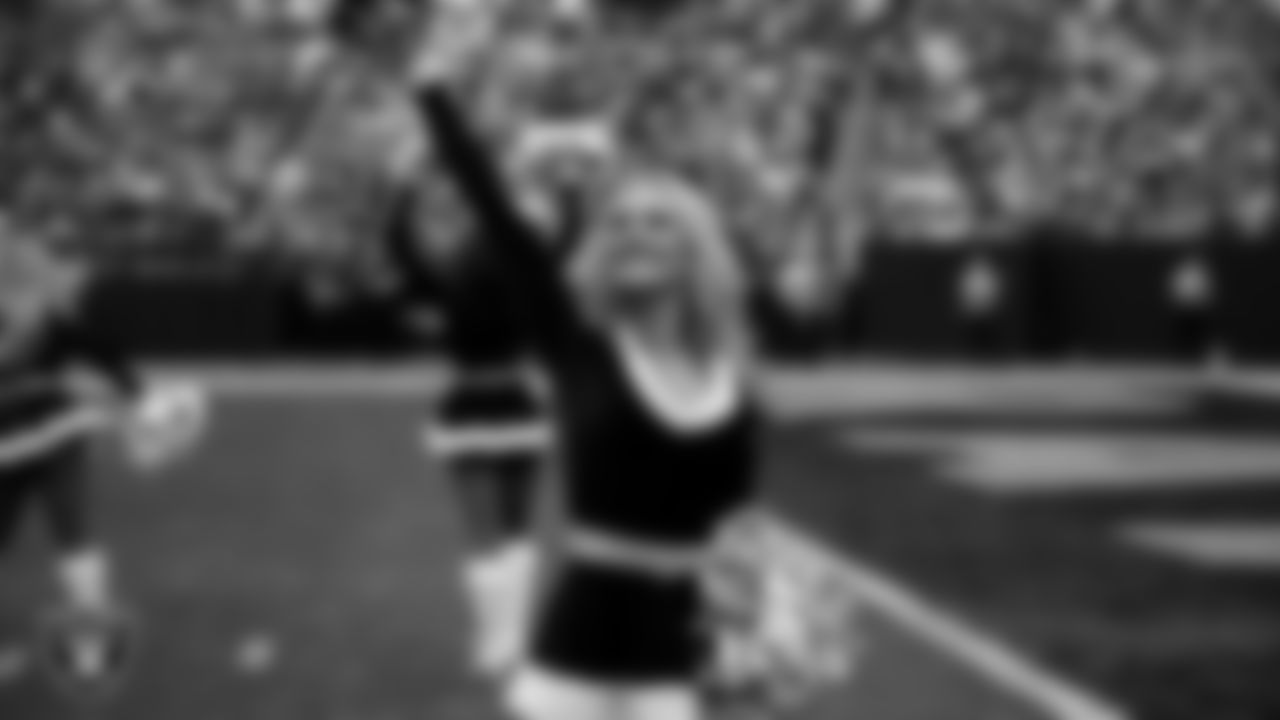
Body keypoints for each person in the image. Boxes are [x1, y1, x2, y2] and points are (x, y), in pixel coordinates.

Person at [415, 62, 762, 719]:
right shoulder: (579, 348)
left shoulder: (730, 374)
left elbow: (737, 525)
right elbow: (489, 201)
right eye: (622, 222)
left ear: (694, 249)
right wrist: (429, 86)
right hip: (579, 642)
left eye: (659, 222)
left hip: (686, 646)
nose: (634, 232)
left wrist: (749, 632)